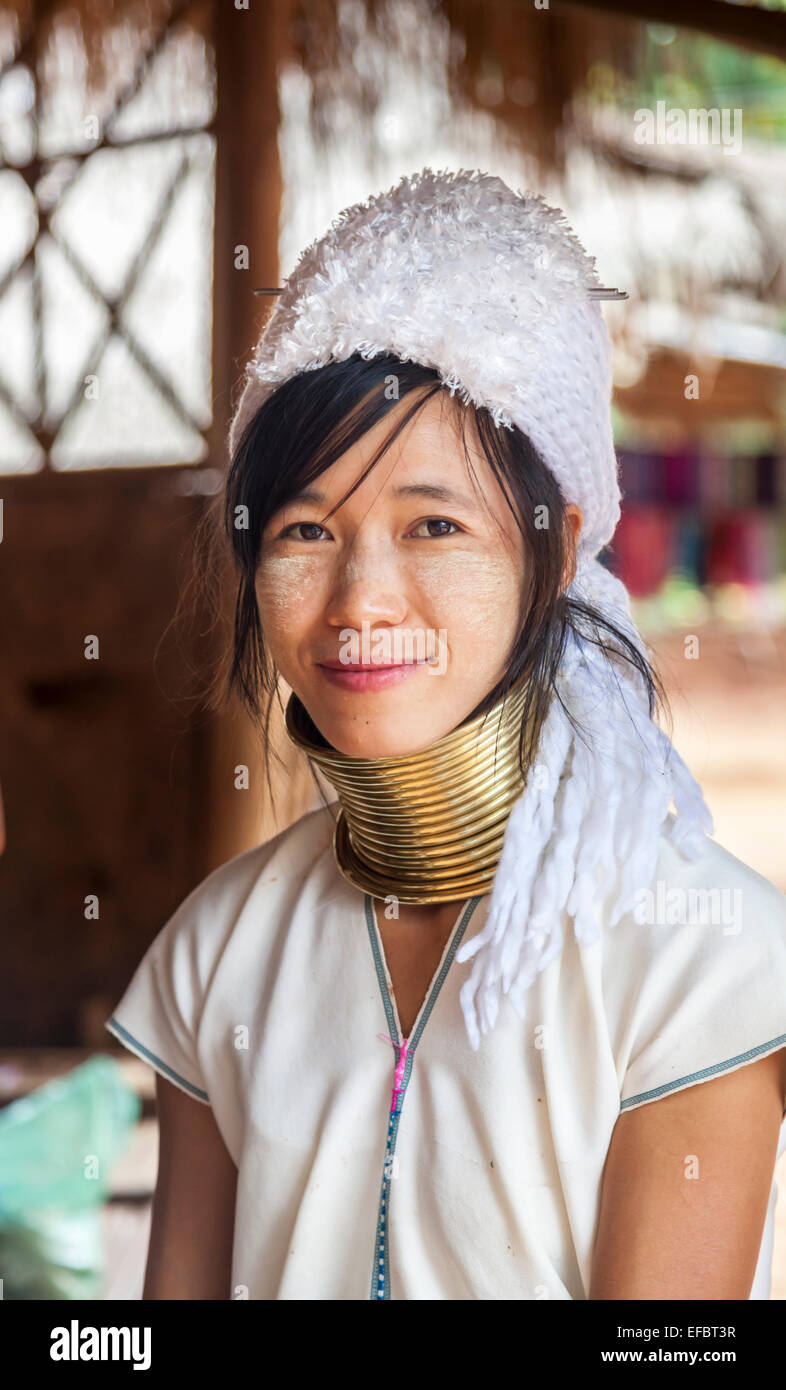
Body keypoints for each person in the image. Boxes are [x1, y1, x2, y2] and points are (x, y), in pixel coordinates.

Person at [105, 168, 786, 1300]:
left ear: (558, 550)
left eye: (434, 524)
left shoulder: (702, 955)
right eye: (307, 530)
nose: (362, 600)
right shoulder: (217, 953)